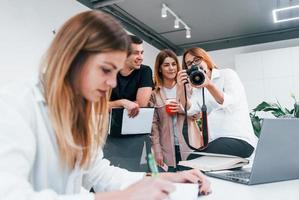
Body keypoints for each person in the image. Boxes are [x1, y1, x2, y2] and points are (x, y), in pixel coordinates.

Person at [0, 11, 211, 199]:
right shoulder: (15, 104)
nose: (112, 83)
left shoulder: (81, 112)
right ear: (72, 60)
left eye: (116, 71)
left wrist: (165, 180)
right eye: (106, 70)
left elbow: (100, 174)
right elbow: (9, 193)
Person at [178, 47, 257, 159]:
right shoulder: (198, 88)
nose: (194, 65)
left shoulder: (227, 74)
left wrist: (209, 85)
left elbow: (228, 102)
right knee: (193, 158)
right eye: (189, 63)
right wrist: (181, 89)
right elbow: (190, 110)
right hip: (217, 142)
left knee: (194, 159)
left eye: (197, 60)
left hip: (239, 139)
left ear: (206, 59)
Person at [149, 49, 201, 171]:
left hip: (191, 146)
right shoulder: (154, 94)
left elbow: (197, 115)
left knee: (194, 184)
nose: (171, 68)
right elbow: (154, 126)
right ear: (160, 69)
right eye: (166, 65)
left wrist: (182, 109)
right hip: (167, 149)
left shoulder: (189, 87)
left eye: (173, 64)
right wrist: (157, 150)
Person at [109, 35, 153, 117]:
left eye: (142, 53)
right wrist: (122, 102)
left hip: (133, 123)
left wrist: (111, 104)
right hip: (105, 124)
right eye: (136, 53)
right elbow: (97, 106)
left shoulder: (145, 71)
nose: (141, 57)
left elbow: (141, 104)